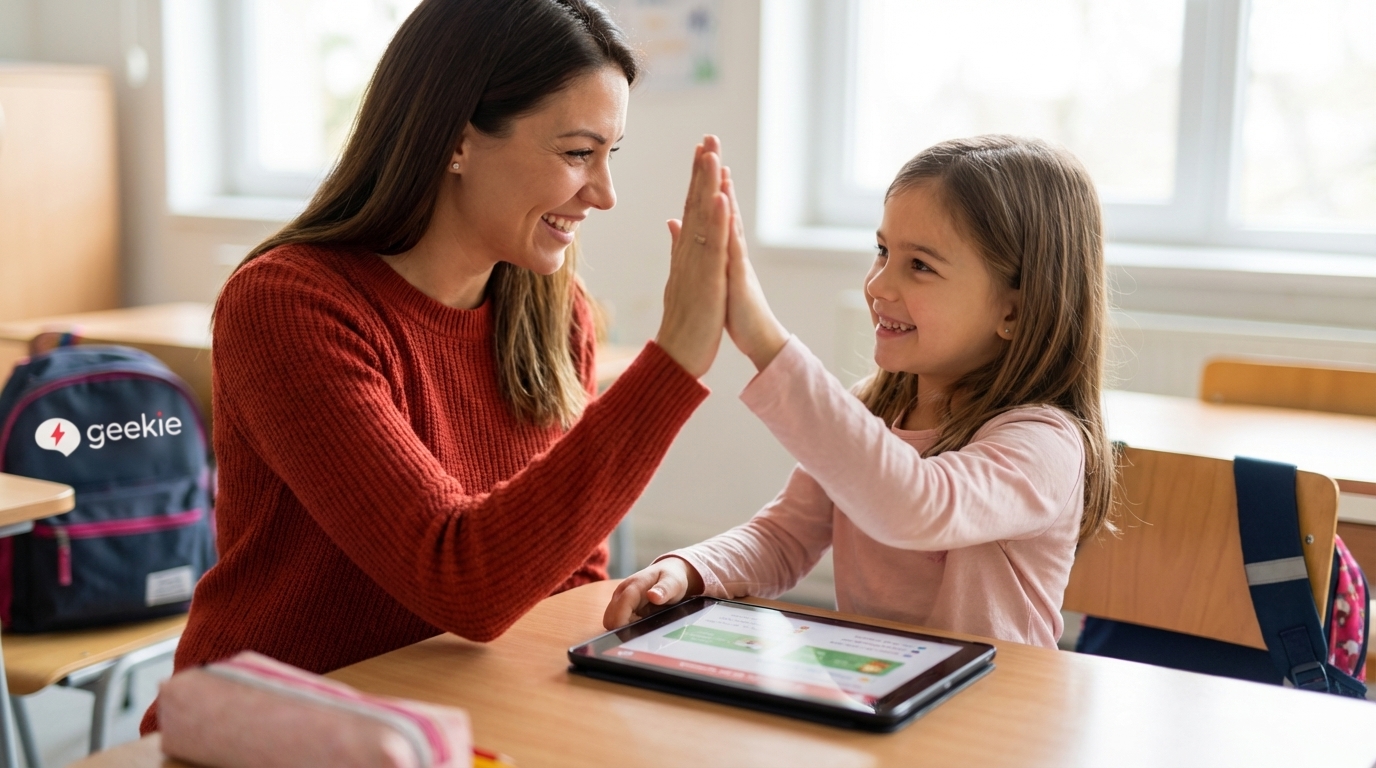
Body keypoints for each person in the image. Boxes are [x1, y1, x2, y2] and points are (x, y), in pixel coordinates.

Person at [143, 0, 737, 731]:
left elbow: (566, 579)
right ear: (456, 139)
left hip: (457, 717)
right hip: (279, 727)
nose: (603, 195)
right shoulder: (287, 304)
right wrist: (672, 363)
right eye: (577, 153)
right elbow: (460, 580)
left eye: (611, 155)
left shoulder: (556, 310)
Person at [604, 135, 1116, 648]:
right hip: (880, 690)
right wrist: (688, 570)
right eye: (883, 251)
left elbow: (915, 505)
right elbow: (783, 537)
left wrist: (764, 339)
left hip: (991, 718)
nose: (877, 285)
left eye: (920, 266)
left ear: (1014, 311)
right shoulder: (871, 409)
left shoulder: (1045, 443)